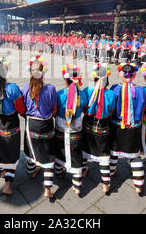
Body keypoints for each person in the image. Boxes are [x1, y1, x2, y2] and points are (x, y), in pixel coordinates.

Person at [0, 58, 26, 195]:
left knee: (0, 149)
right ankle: (7, 185)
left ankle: (2, 170)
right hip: (11, 124)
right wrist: (25, 115)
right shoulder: (12, 88)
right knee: (11, 152)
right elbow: (21, 108)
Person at [22, 55, 57, 199]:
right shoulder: (50, 89)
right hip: (46, 123)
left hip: (31, 123)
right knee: (48, 154)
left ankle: (32, 171)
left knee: (31, 149)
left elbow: (23, 107)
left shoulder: (25, 88)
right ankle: (48, 188)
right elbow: (54, 109)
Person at [110, 63, 146, 195]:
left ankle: (111, 171)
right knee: (134, 154)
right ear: (134, 75)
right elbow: (144, 107)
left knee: (114, 151)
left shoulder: (114, 89)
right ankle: (138, 184)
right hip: (134, 126)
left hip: (117, 125)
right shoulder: (141, 90)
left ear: (120, 74)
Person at [54, 64, 88, 197]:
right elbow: (84, 105)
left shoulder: (59, 94)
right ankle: (77, 185)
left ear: (65, 79)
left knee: (60, 150)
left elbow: (55, 110)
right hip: (76, 128)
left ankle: (58, 172)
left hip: (61, 127)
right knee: (76, 153)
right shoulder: (81, 94)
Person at [82, 63, 115, 194]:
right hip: (103, 125)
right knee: (103, 152)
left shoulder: (87, 91)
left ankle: (83, 170)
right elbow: (112, 110)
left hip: (88, 124)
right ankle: (106, 182)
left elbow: (84, 108)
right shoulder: (111, 94)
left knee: (85, 147)